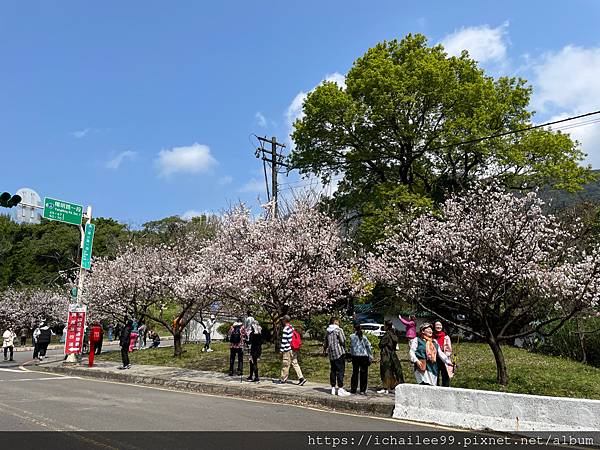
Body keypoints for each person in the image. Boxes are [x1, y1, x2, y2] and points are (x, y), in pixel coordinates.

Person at [276, 315, 306, 385]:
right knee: (295, 363)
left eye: (283, 320)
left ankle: (283, 379)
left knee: (285, 364)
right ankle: (301, 378)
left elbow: (284, 341)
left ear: (284, 320)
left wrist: (281, 350)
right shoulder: (291, 327)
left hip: (287, 349)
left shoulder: (285, 329)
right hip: (293, 349)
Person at [324, 317, 350, 396]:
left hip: (331, 353)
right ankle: (340, 388)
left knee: (333, 370)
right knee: (340, 370)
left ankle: (333, 388)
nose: (339, 323)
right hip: (339, 352)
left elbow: (325, 342)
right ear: (335, 322)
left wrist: (325, 350)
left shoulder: (328, 331)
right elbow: (343, 341)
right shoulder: (339, 330)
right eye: (338, 321)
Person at [377, 320, 404, 394]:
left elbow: (381, 344)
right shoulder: (394, 334)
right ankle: (392, 386)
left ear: (386, 326)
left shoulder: (387, 334)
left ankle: (386, 387)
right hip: (393, 354)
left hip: (386, 354)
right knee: (393, 370)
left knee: (385, 370)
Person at [349, 323, 373, 395]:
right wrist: (370, 356)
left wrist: (351, 355)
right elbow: (368, 347)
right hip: (364, 356)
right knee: (364, 373)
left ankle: (353, 389)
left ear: (354, 328)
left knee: (355, 373)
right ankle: (362, 390)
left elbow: (351, 347)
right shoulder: (364, 337)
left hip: (355, 356)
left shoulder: (352, 336)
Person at [434, 321, 454, 387]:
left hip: (444, 358)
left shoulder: (446, 337)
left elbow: (449, 349)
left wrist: (446, 355)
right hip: (434, 358)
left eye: (440, 325)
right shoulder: (432, 336)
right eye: (436, 325)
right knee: (435, 374)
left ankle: (445, 387)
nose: (438, 327)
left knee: (445, 374)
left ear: (442, 326)